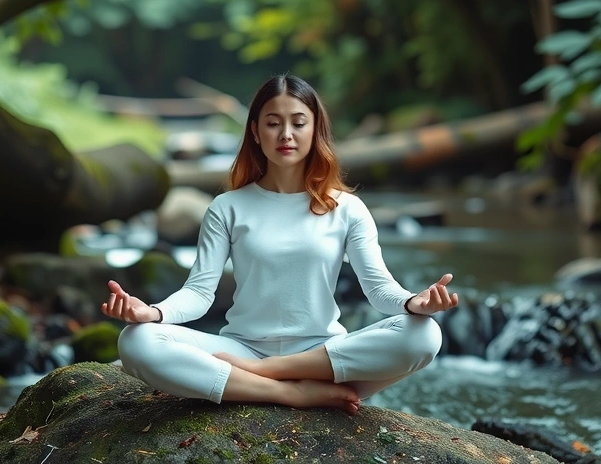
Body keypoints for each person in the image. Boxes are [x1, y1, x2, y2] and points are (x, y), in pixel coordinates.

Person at [102, 74, 459, 415]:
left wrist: (413, 303)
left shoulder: (346, 208)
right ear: (255, 131)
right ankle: (289, 391)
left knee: (425, 334)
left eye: (298, 122)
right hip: (241, 349)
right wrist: (154, 313)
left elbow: (379, 290)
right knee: (136, 341)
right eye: (273, 123)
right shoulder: (228, 207)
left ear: (315, 129)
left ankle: (273, 372)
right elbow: (199, 293)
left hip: (325, 358)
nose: (286, 134)